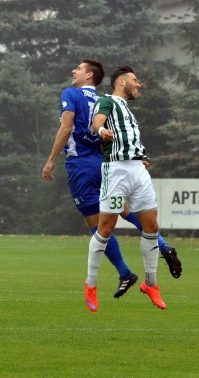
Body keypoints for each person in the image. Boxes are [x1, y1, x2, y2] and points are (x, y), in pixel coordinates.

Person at [42, 60, 180, 307]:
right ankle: (161, 245)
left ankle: (121, 273)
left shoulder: (71, 93)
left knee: (99, 226)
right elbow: (106, 127)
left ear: (89, 75)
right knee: (124, 211)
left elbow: (66, 128)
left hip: (83, 165)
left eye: (78, 68)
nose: (73, 71)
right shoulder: (101, 99)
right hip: (107, 163)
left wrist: (50, 160)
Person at [85, 65, 169, 312]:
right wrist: (101, 130)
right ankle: (90, 283)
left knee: (151, 226)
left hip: (137, 170)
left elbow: (128, 138)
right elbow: (96, 122)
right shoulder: (107, 101)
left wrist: (139, 157)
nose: (139, 84)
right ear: (121, 82)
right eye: (135, 80)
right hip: (116, 171)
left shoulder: (129, 111)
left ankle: (151, 284)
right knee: (106, 228)